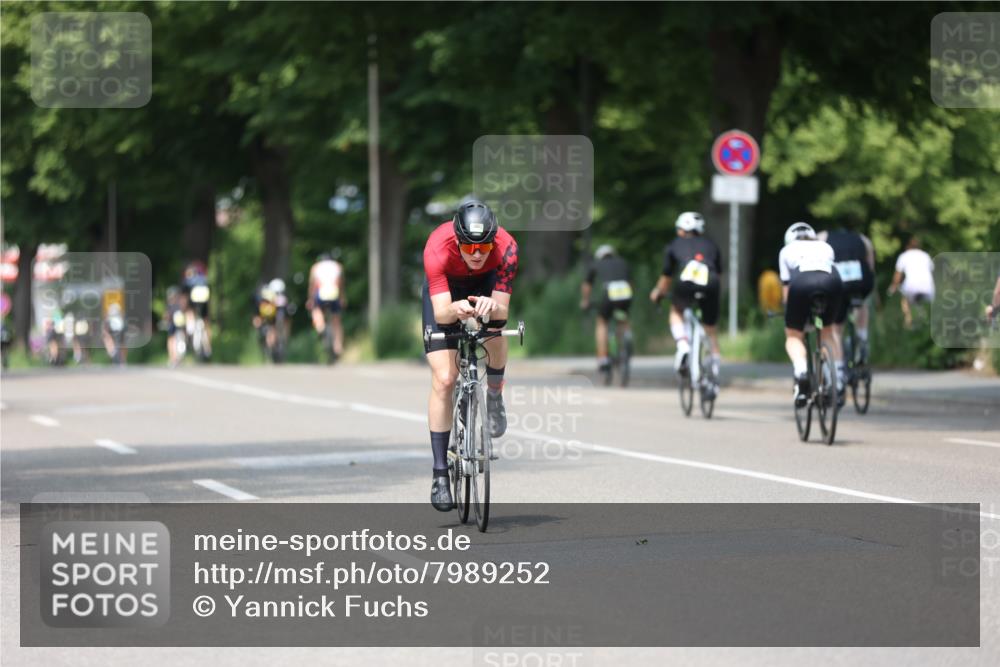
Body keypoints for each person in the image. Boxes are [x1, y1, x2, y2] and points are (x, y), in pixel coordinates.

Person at [422, 200, 517, 512]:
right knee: (445, 378)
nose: (477, 253)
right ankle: (439, 474)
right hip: (447, 291)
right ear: (457, 239)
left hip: (487, 286)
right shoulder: (437, 246)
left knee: (497, 328)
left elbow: (502, 308)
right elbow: (441, 312)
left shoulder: (506, 249)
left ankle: (494, 393)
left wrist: (491, 307)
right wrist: (455, 309)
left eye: (484, 245)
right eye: (469, 247)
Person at [649, 212, 723, 380]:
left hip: (686, 282)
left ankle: (683, 345)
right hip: (711, 282)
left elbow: (666, 278)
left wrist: (658, 293)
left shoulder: (674, 245)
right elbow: (719, 274)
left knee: (676, 312)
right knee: (710, 329)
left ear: (682, 230)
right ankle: (715, 370)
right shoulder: (711, 245)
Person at [779, 222, 844, 406]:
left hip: (801, 282)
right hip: (832, 281)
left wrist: (789, 314)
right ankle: (832, 378)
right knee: (827, 331)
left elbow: (786, 290)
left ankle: (801, 372)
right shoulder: (825, 247)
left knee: (793, 335)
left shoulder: (786, 251)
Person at [820, 228, 876, 353]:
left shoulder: (823, 236)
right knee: (862, 302)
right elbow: (871, 266)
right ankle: (862, 336)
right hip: (861, 279)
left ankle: (838, 355)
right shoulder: (863, 238)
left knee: (836, 324)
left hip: (838, 280)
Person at [580, 244, 632, 373]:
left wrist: (585, 301)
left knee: (602, 322)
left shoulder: (596, 264)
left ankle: (603, 358)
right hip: (626, 292)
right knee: (623, 318)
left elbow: (587, 286)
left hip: (610, 292)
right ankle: (626, 340)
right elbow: (630, 283)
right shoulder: (623, 262)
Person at [888, 237, 934, 328]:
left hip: (911, 286)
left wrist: (892, 287)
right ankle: (926, 320)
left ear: (907, 246)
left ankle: (908, 320)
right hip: (928, 287)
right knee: (924, 303)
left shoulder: (904, 256)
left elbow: (897, 276)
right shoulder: (925, 255)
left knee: (905, 300)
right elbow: (932, 271)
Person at [307, 251, 346, 360]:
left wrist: (310, 299)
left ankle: (321, 328)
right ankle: (338, 346)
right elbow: (340, 283)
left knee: (316, 310)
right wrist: (342, 297)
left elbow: (312, 285)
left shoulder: (315, 267)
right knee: (336, 321)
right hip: (334, 293)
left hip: (321, 293)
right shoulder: (338, 266)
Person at [181, 259, 212, 358]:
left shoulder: (188, 281)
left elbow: (184, 297)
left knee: (189, 314)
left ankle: (189, 336)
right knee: (206, 323)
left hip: (193, 304)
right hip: (204, 304)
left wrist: (184, 309)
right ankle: (208, 348)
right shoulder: (204, 280)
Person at [164, 286, 187, 367]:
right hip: (173, 326)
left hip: (178, 326)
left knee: (177, 341)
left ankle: (175, 357)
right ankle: (173, 358)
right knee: (172, 340)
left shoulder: (177, 305)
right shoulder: (172, 305)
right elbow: (167, 316)